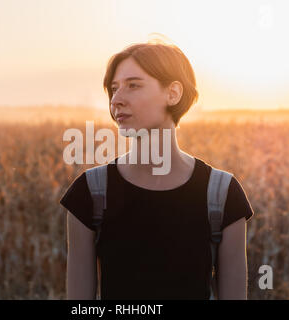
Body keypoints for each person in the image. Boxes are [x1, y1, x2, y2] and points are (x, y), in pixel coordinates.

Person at [59, 41, 254, 300]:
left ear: (172, 93)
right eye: (114, 89)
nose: (116, 100)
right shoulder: (89, 193)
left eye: (133, 85)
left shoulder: (222, 195)